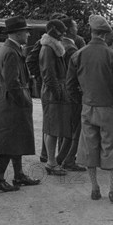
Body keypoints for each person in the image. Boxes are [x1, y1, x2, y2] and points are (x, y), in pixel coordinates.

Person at [66, 15, 113, 202]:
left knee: (90, 148)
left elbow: (70, 85)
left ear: (92, 33)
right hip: (109, 109)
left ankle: (94, 188)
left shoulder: (78, 55)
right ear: (106, 36)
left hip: (88, 108)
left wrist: (81, 100)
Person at [0, 16, 41, 191]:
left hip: (7, 99)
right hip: (12, 101)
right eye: (25, 31)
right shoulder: (11, 52)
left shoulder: (9, 48)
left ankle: (18, 175)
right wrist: (24, 101)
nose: (28, 35)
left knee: (14, 138)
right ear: (17, 33)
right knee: (8, 140)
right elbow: (12, 82)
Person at [39, 19, 71, 176]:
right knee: (53, 128)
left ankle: (51, 160)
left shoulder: (51, 47)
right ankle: (51, 163)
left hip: (53, 91)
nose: (63, 34)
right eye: (61, 30)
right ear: (52, 30)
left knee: (51, 127)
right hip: (53, 92)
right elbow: (48, 74)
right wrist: (58, 93)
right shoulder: (48, 49)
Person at [55, 18, 87, 172]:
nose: (77, 29)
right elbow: (77, 74)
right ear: (68, 29)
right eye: (75, 26)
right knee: (76, 128)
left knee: (69, 128)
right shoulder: (71, 49)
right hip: (73, 94)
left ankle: (62, 156)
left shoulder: (62, 45)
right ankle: (68, 159)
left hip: (65, 91)